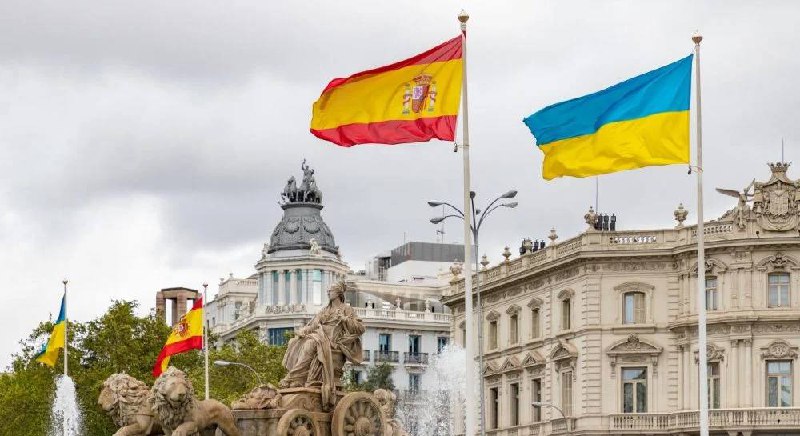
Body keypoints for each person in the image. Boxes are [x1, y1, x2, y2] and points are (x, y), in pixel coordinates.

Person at [280, 281, 364, 409]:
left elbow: (360, 328)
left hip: (332, 342)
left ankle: (292, 377)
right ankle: (298, 379)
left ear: (338, 292)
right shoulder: (324, 310)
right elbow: (313, 325)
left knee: (311, 343)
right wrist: (303, 331)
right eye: (328, 290)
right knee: (295, 342)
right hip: (320, 336)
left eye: (331, 290)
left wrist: (345, 319)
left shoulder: (346, 309)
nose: (328, 292)